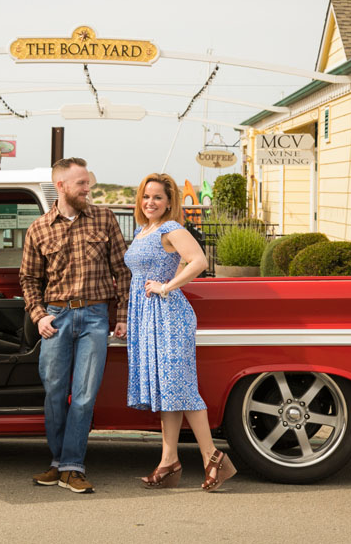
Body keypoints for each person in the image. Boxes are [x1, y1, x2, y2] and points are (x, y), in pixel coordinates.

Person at [20, 157, 130, 494]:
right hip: (57, 317)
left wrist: (122, 315)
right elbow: (28, 279)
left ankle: (72, 466)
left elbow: (122, 271)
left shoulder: (104, 218)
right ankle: (59, 463)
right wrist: (39, 316)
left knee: (83, 396)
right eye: (81, 183)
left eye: (88, 182)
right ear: (62, 186)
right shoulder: (39, 228)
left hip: (95, 318)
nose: (88, 188)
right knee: (54, 393)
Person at [121, 172, 236, 491]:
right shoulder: (143, 230)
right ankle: (168, 461)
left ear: (170, 202)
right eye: (146, 196)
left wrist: (166, 286)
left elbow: (198, 260)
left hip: (168, 314)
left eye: (158, 197)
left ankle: (213, 458)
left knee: (180, 387)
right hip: (146, 317)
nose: (150, 202)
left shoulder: (171, 228)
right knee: (166, 390)